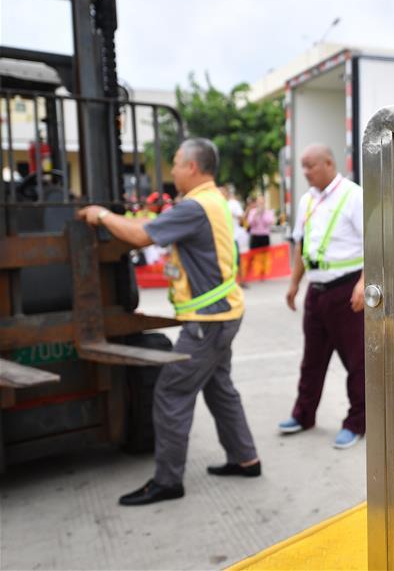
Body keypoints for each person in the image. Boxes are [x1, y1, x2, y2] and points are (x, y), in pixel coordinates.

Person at [78, 138, 261, 506]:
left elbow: (141, 235)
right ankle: (246, 459)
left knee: (171, 393)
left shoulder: (195, 206)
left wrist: (101, 215)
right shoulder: (212, 200)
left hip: (207, 322)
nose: (172, 170)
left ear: (192, 168)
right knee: (219, 387)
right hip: (222, 315)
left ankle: (167, 481)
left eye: (176, 163)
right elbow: (155, 223)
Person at [281, 143, 365, 449]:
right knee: (311, 360)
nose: (304, 172)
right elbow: (302, 247)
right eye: (302, 166)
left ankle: (357, 422)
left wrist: (363, 282)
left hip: (346, 290)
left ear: (329, 163)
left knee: (357, 362)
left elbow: (375, 242)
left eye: (310, 166)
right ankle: (303, 415)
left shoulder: (353, 196)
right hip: (316, 292)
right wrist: (294, 284)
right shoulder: (307, 201)